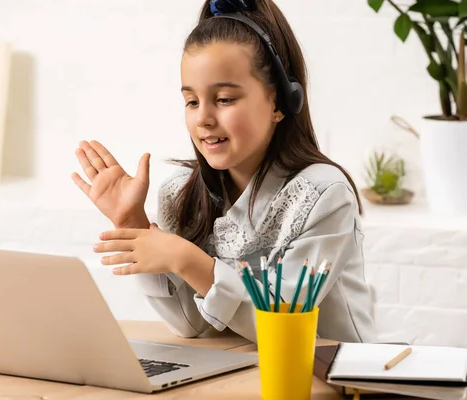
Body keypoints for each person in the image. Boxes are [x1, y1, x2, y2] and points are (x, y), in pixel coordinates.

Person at [72, 0, 377, 344]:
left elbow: (283, 327)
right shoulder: (179, 195)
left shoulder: (323, 195)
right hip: (240, 375)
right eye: (191, 101)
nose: (202, 118)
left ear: (280, 103)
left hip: (330, 381)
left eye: (225, 99)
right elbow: (190, 324)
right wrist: (134, 225)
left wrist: (186, 259)